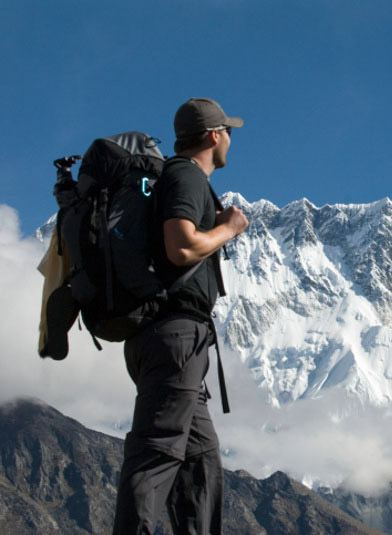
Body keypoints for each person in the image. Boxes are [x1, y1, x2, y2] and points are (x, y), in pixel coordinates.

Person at [113, 98, 249, 534]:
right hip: (174, 337)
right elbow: (183, 246)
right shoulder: (186, 176)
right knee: (156, 455)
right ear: (213, 135)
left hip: (172, 340)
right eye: (227, 130)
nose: (230, 138)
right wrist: (228, 228)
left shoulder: (175, 178)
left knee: (200, 463)